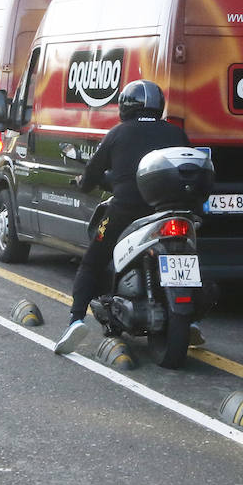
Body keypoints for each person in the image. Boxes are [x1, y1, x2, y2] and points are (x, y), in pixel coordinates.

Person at [54, 79, 190, 355]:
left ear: (126, 106)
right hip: (171, 211)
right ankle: (191, 318)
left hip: (126, 211)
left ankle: (75, 319)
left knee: (92, 261)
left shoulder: (118, 134)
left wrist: (83, 182)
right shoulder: (176, 134)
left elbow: (91, 175)